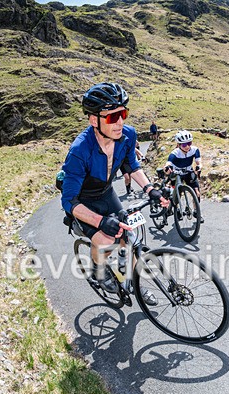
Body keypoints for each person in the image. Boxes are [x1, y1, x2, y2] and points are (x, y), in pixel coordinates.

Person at [60, 82, 166, 302]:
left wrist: (149, 189)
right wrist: (99, 222)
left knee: (130, 237)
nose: (119, 122)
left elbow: (132, 166)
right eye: (112, 117)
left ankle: (136, 286)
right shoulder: (80, 150)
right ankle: (98, 271)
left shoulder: (127, 135)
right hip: (84, 202)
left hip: (107, 193)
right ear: (94, 120)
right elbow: (69, 200)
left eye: (123, 114)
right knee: (106, 240)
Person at [164, 130, 204, 223]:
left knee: (197, 193)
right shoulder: (175, 153)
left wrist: (199, 166)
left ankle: (195, 211)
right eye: (184, 144)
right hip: (177, 174)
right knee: (177, 194)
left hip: (188, 172)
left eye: (189, 143)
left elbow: (199, 162)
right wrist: (167, 168)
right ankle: (176, 209)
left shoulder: (194, 150)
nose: (187, 146)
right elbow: (168, 163)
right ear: (178, 145)